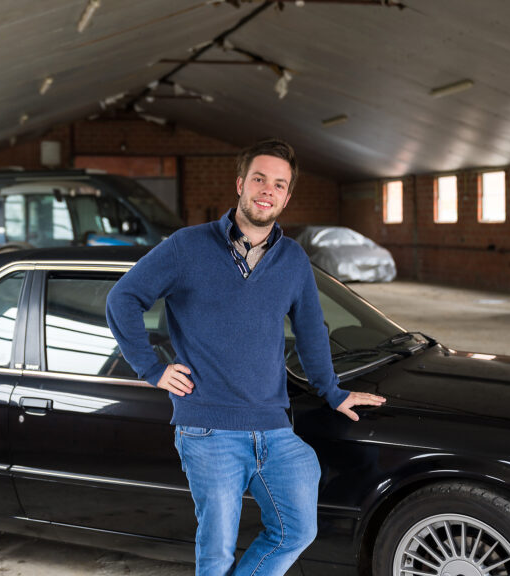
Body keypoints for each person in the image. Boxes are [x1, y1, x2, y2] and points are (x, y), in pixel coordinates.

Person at [106, 138, 386, 576]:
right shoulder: (186, 247)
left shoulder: (292, 259)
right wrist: (152, 368)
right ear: (240, 184)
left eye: (279, 184)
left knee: (295, 531)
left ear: (286, 197)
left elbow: (312, 330)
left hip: (274, 428)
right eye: (259, 179)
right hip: (208, 428)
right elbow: (122, 298)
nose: (267, 190)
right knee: (216, 553)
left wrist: (332, 391)